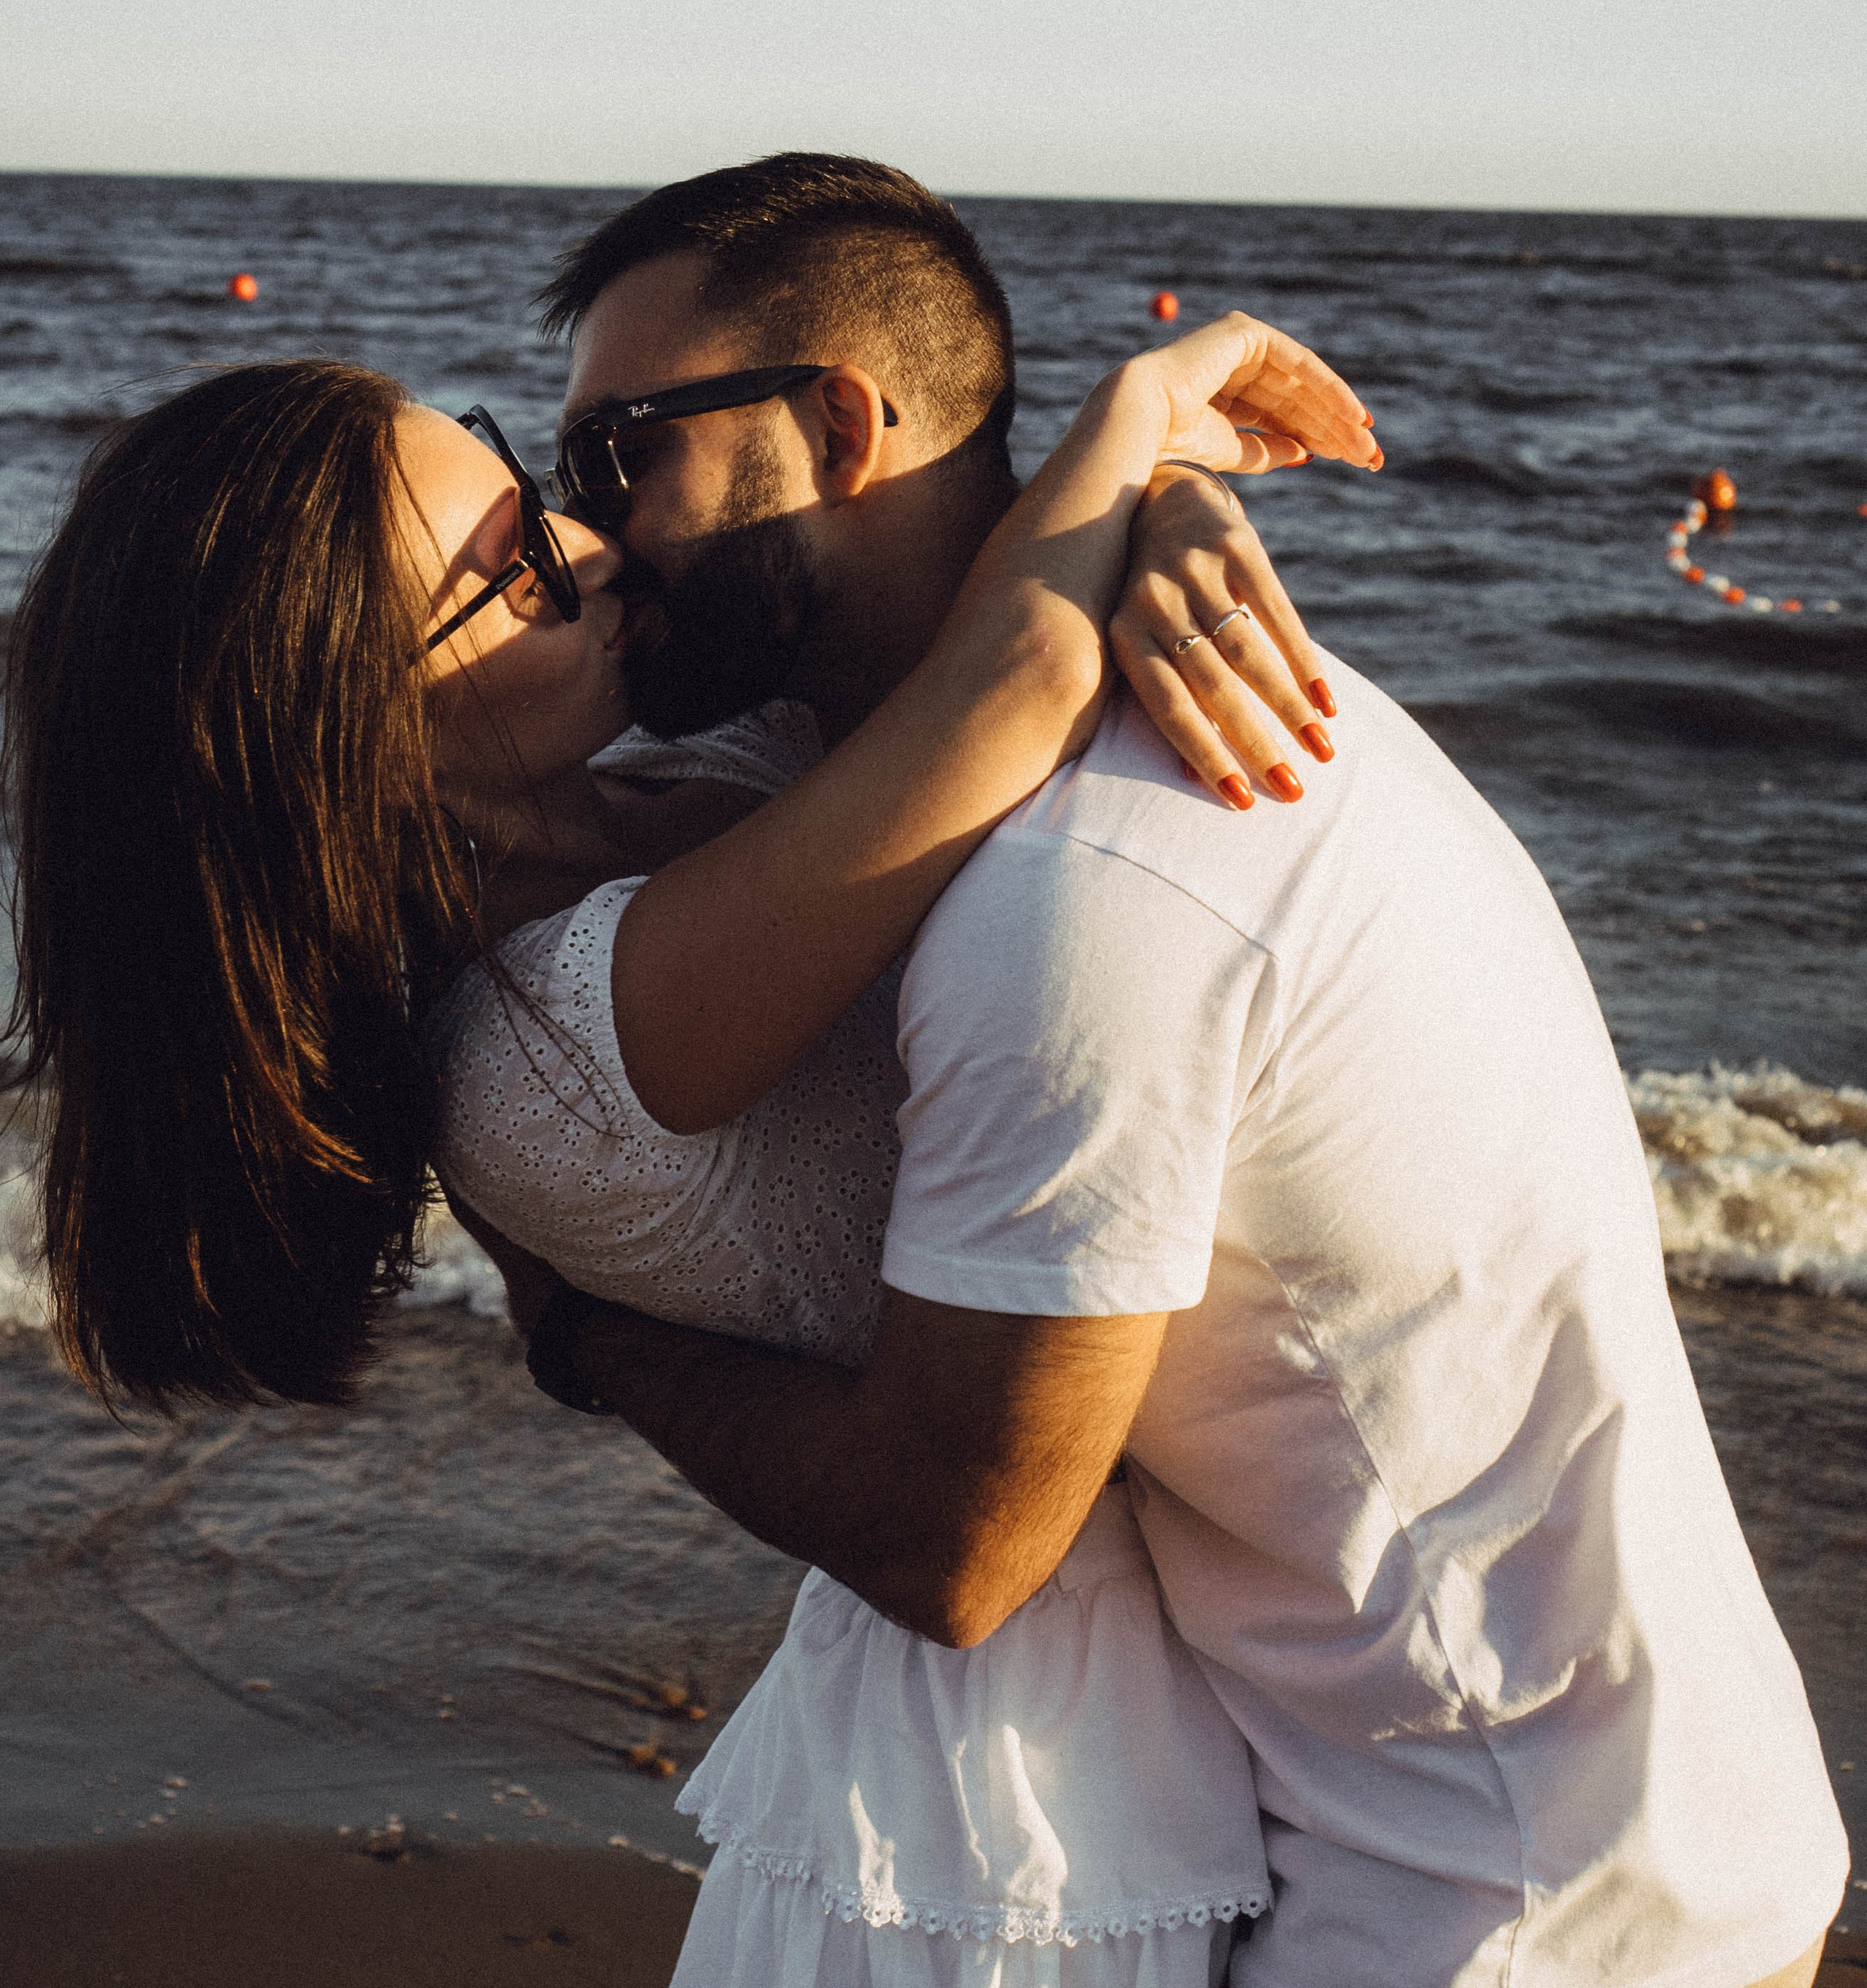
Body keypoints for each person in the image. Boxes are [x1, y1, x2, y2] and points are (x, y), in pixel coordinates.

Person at [467, 154, 1847, 1988]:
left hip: (1498, 1907)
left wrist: (592, 1334)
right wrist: (1140, 493)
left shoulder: (1085, 885)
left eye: (619, 452)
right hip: (1586, 1826)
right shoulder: (989, 771)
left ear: (831, 424)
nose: (592, 532)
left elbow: (955, 1538)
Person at [2, 237, 1372, 1977]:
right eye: (510, 566)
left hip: (1137, 1693)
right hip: (1008, 1795)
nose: (586, 542)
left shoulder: (660, 796)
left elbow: (948, 644)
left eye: (531, 482)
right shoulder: (560, 1027)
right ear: (350, 739)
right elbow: (1012, 687)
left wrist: (1166, 521)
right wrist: (1146, 426)